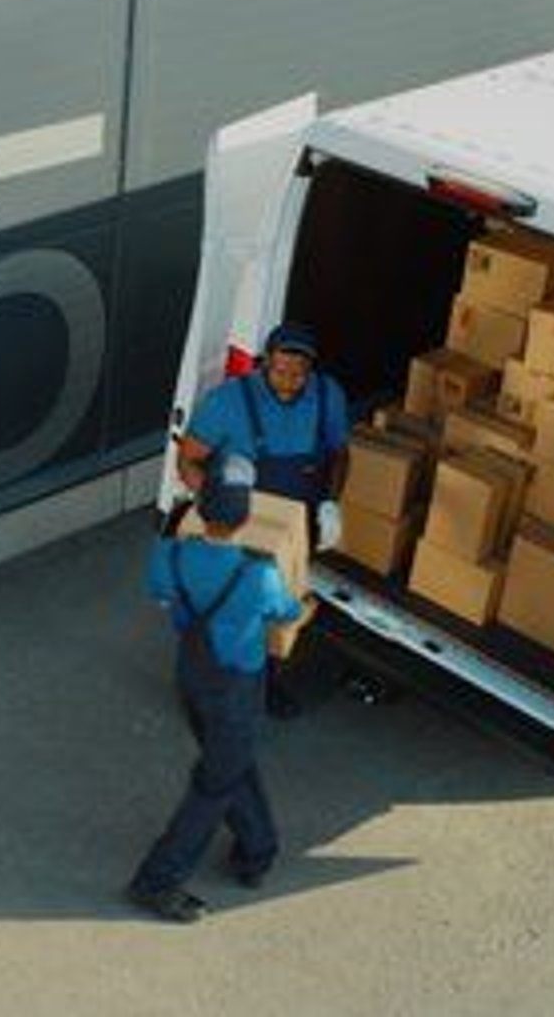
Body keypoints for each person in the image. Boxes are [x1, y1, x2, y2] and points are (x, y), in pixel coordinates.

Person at [128, 458, 307, 924]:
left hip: (192, 675)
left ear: (200, 510)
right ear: (245, 519)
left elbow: (162, 595)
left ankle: (257, 850)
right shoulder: (257, 576)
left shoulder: (168, 554)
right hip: (236, 689)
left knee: (230, 764)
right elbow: (286, 613)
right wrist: (303, 602)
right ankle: (156, 880)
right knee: (214, 784)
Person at [175, 322, 350, 718]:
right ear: (264, 363)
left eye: (299, 373)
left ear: (312, 370)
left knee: (278, 613)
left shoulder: (327, 396)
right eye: (281, 371)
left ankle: (264, 684)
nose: (290, 381)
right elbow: (189, 458)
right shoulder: (228, 402)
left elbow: (340, 454)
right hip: (239, 524)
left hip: (294, 529)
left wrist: (331, 504)